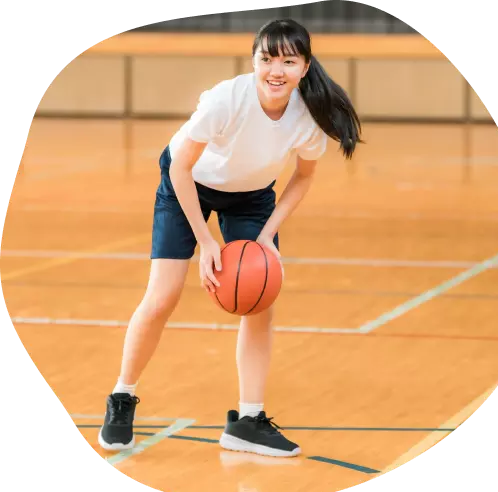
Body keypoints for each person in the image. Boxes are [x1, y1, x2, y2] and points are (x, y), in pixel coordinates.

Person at [98, 18, 362, 458]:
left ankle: (248, 421)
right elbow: (180, 168)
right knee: (162, 297)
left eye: (288, 61)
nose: (276, 70)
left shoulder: (308, 118)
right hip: (187, 183)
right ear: (253, 60)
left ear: (304, 67)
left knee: (261, 302)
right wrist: (206, 242)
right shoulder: (227, 99)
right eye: (267, 59)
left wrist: (267, 237)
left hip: (253, 196)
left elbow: (303, 176)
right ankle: (122, 397)